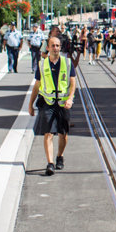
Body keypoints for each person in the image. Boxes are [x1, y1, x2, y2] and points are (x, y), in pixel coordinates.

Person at [30, 34, 77, 175]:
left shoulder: (67, 63)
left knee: (63, 134)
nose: (55, 48)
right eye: (53, 46)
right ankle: (50, 163)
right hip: (47, 102)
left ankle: (59, 156)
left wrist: (70, 98)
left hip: (63, 103)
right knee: (48, 133)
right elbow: (37, 85)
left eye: (57, 46)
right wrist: (30, 104)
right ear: (48, 48)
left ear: (60, 47)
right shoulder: (42, 64)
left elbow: (73, 83)